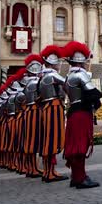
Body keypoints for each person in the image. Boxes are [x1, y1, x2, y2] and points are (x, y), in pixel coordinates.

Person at [63, 41, 102, 189]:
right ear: (81, 63)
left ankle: (76, 176)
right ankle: (80, 178)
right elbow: (94, 93)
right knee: (80, 146)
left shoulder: (68, 76)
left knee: (74, 145)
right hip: (81, 112)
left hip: (73, 110)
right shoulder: (80, 75)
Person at [39, 45, 69, 183]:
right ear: (52, 63)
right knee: (52, 139)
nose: (59, 64)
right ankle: (50, 172)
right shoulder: (51, 74)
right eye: (58, 62)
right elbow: (68, 83)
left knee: (47, 139)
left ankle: (48, 171)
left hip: (46, 107)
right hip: (54, 107)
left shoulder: (42, 76)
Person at [22, 54, 44, 178]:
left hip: (28, 112)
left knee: (29, 140)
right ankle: (34, 168)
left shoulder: (26, 83)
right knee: (36, 140)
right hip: (36, 111)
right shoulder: (37, 83)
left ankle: (30, 168)